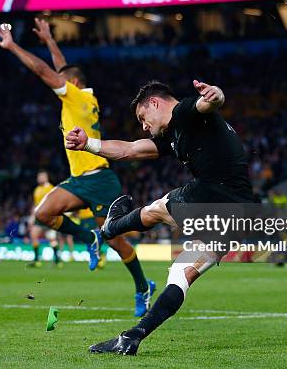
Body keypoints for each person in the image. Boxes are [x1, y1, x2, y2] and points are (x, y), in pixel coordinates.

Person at [65, 79, 254, 355]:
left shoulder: (184, 112)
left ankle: (110, 227)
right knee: (181, 273)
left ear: (154, 103)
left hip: (217, 196)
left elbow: (209, 103)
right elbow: (130, 149)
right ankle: (131, 338)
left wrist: (215, 95)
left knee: (158, 207)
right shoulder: (175, 135)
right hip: (240, 215)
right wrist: (88, 144)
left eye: (143, 117)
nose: (143, 125)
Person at [0, 18, 154, 316]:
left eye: (64, 82)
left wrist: (13, 45)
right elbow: (61, 68)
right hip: (79, 179)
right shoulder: (83, 97)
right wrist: (49, 41)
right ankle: (89, 238)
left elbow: (45, 72)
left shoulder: (76, 96)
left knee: (117, 242)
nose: (60, 84)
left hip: (101, 180)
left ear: (73, 84)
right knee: (43, 213)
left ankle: (143, 288)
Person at [28, 170, 62, 267]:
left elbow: (55, 202)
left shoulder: (51, 188)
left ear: (46, 177)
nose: (40, 178)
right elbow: (35, 204)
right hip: (38, 217)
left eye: (42, 176)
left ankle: (57, 259)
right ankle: (37, 260)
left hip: (49, 216)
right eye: (39, 177)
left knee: (51, 239)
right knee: (33, 235)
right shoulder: (37, 189)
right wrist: (31, 216)